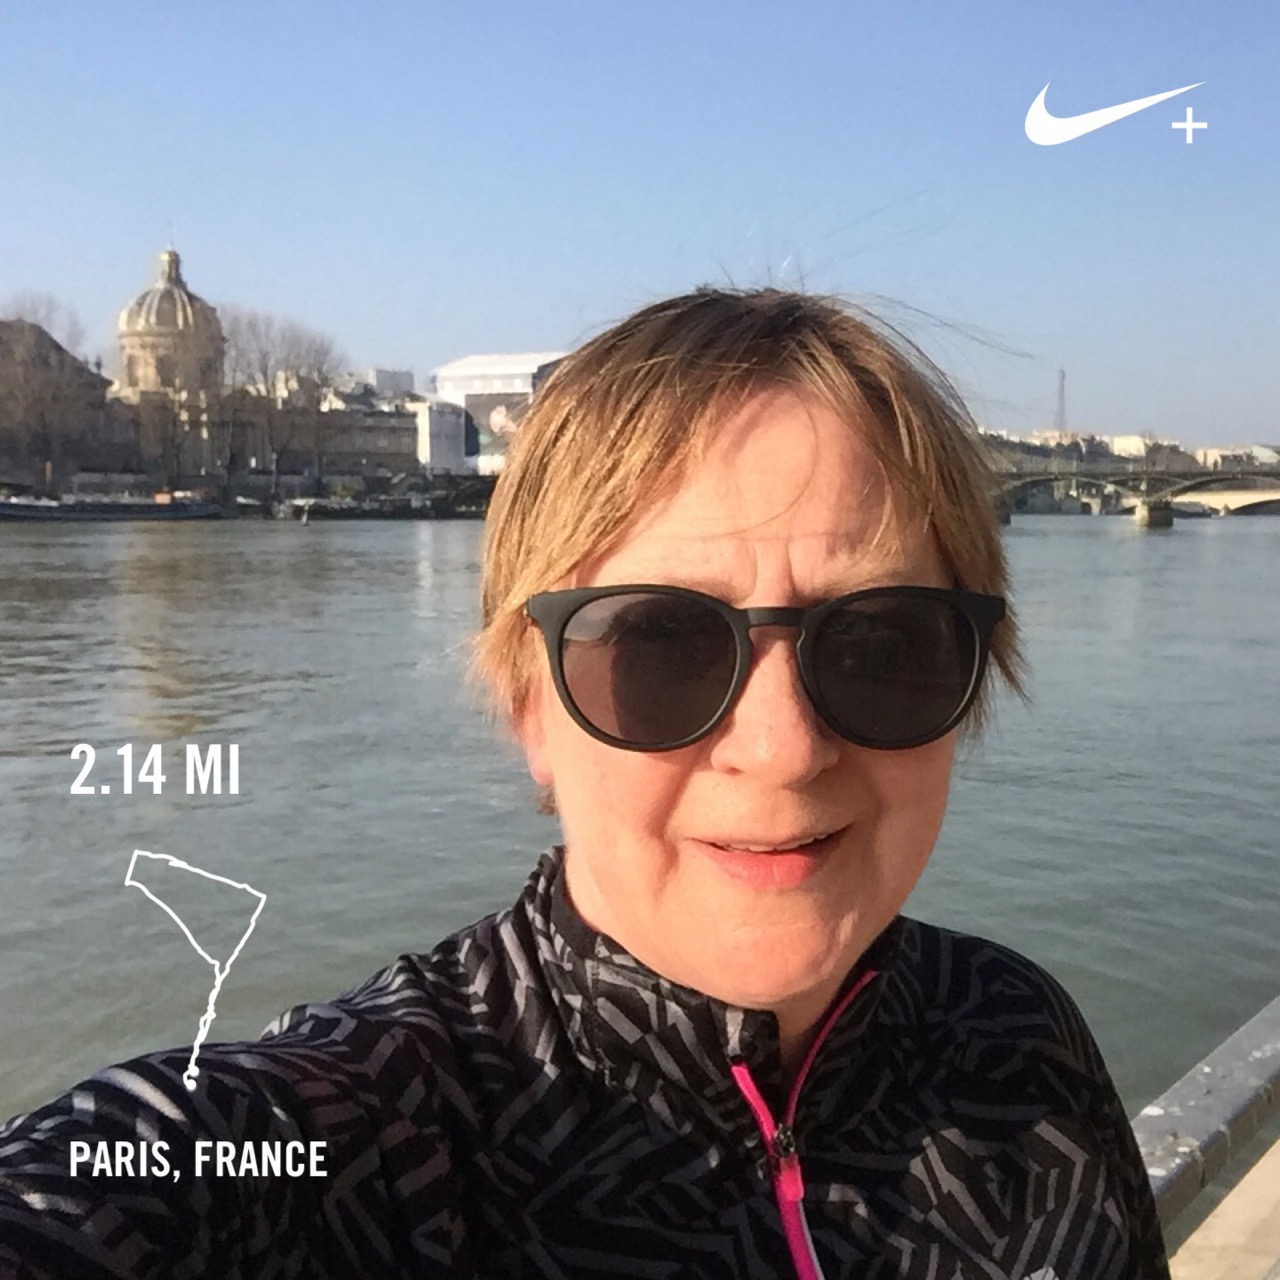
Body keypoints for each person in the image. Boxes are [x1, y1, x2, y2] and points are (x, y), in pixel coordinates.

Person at [0, 288, 1168, 1278]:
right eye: (658, 645)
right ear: (528, 709)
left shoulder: (1018, 1038)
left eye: (880, 642)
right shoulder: (363, 1137)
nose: (783, 746)